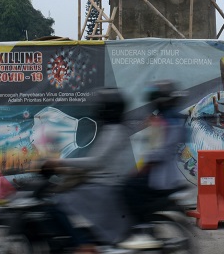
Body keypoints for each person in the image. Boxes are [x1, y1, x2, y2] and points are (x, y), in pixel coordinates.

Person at [42, 87, 135, 252]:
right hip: (99, 182)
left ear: (107, 108)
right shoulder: (113, 129)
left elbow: (96, 162)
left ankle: (84, 244)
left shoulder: (115, 131)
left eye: (101, 106)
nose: (98, 109)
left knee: (60, 202)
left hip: (102, 187)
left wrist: (62, 163)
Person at [119, 80, 188, 250]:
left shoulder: (169, 121)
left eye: (156, 101)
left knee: (128, 188)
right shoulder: (170, 119)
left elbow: (159, 153)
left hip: (161, 178)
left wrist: (140, 170)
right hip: (164, 174)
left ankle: (141, 231)